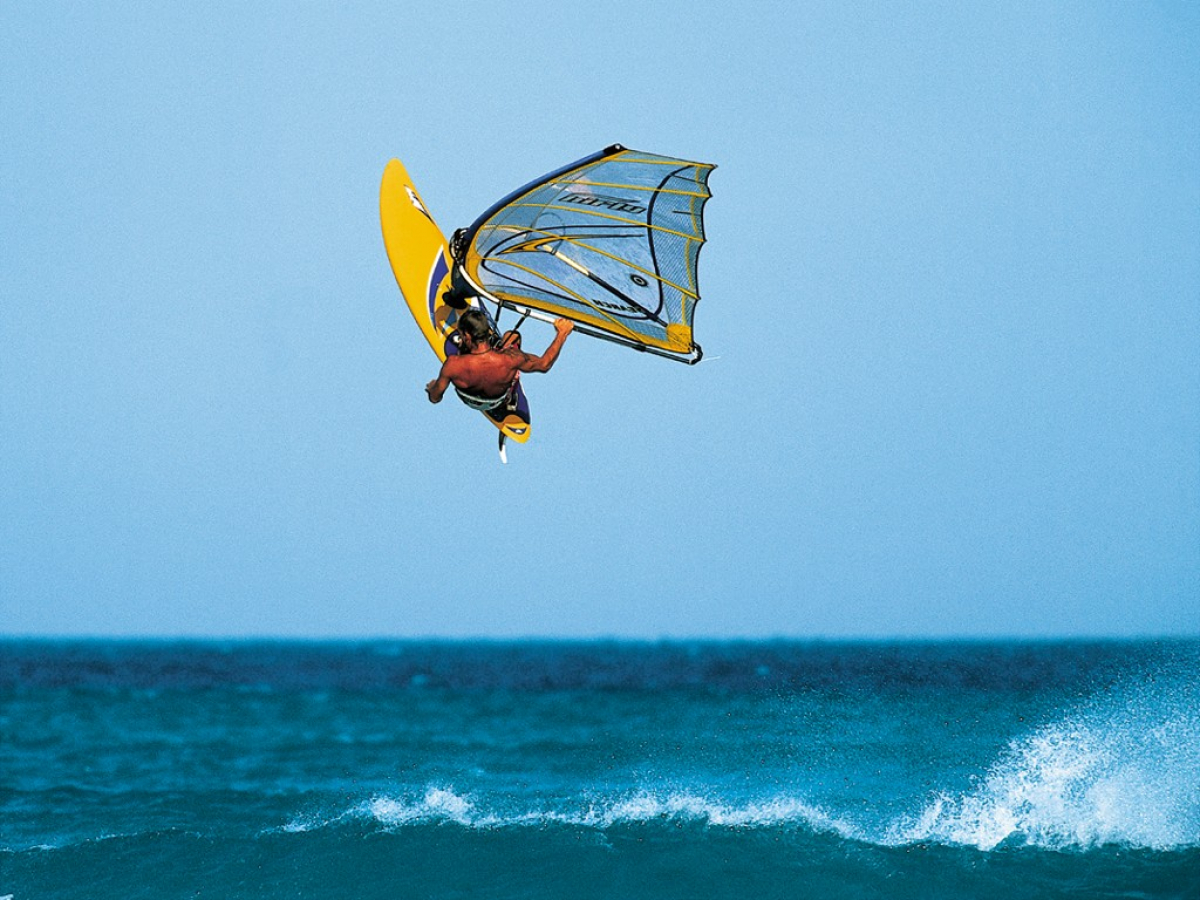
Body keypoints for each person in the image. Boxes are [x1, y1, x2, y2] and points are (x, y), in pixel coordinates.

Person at [425, 309, 574, 411]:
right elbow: (544, 365)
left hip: (468, 400)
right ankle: (510, 399)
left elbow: (435, 398)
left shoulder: (453, 365)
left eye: (461, 334)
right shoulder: (510, 359)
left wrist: (432, 387)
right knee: (513, 336)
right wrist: (562, 334)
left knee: (463, 350)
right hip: (496, 402)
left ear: (468, 336)